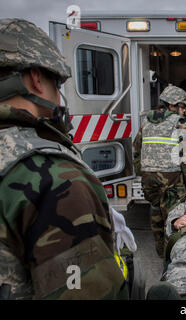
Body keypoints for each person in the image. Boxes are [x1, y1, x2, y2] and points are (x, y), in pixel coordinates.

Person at [0, 18, 128, 299]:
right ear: (36, 78)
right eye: (57, 85)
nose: (60, 97)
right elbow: (82, 291)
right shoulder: (52, 176)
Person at [133, 85, 186, 257]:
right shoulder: (178, 124)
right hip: (171, 179)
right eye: (182, 107)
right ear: (171, 106)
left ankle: (160, 251)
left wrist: (142, 172)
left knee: (155, 212)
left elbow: (136, 149)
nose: (183, 111)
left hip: (148, 179)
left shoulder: (146, 122)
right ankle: (171, 258)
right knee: (174, 218)